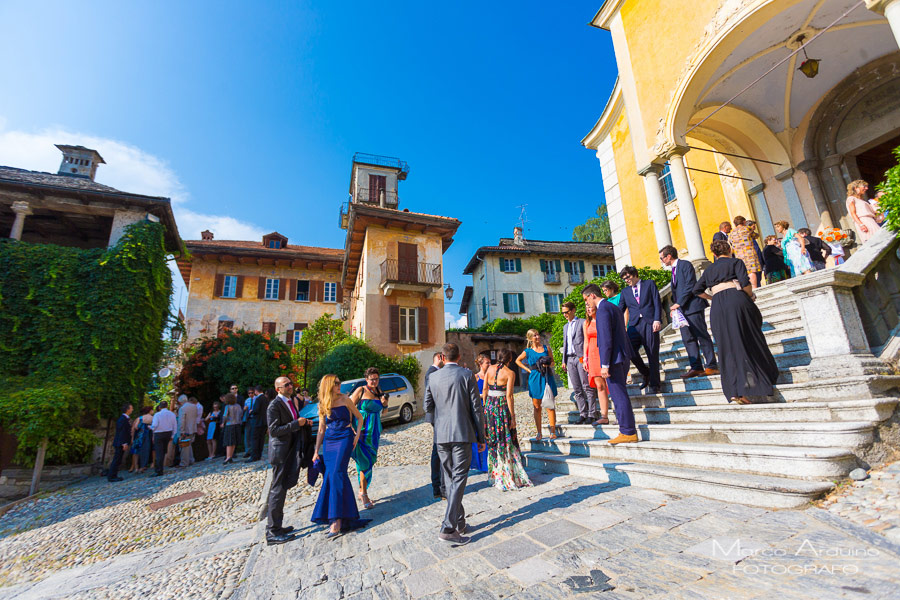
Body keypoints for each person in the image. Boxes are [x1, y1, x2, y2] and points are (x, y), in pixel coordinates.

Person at [694, 240, 779, 404]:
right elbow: (745, 283)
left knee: (726, 347)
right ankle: (763, 380)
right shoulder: (735, 262)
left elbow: (696, 290)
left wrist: (713, 297)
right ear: (729, 249)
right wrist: (750, 295)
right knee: (750, 338)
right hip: (736, 299)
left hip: (717, 307)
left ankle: (734, 391)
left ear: (714, 254)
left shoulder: (709, 269)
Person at [425, 343, 486, 545]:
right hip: (462, 433)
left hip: (441, 435)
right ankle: (448, 527)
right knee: (458, 478)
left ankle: (459, 521)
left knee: (450, 478)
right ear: (459, 356)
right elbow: (477, 408)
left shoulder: (433, 377)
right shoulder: (467, 375)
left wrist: (438, 424)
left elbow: (428, 406)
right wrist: (481, 436)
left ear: (442, 357)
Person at [312, 374, 368, 538]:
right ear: (328, 385)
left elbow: (359, 417)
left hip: (345, 438)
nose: (339, 385)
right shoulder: (323, 403)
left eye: (339, 382)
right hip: (330, 441)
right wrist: (316, 451)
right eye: (336, 383)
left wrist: (357, 435)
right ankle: (342, 516)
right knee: (332, 475)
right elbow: (321, 429)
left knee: (336, 472)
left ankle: (336, 520)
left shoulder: (345, 399)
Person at [581, 284, 638, 444]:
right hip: (622, 355)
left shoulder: (603, 310)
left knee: (618, 395)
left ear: (592, 295)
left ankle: (627, 431)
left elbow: (605, 339)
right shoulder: (612, 307)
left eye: (586, 300)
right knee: (620, 394)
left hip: (614, 358)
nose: (587, 304)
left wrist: (604, 364)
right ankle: (627, 429)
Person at [660, 245, 718, 379]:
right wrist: (676, 307)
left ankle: (711, 366)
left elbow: (690, 285)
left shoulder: (685, 265)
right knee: (688, 339)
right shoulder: (673, 270)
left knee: (702, 336)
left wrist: (678, 303)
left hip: (693, 307)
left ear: (669, 256)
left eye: (662, 258)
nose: (662, 261)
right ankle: (696, 367)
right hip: (682, 310)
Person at [266, 376, 309, 545]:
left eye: (291, 383)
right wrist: (296, 424)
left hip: (289, 450)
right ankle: (272, 532)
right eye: (286, 385)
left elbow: (293, 422)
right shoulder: (274, 405)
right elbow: (274, 430)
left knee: (282, 489)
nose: (291, 386)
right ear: (278, 389)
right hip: (280, 453)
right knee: (277, 490)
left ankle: (278, 526)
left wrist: (303, 423)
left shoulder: (290, 402)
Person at [481, 349, 531, 491]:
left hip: (490, 406)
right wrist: (513, 417)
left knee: (493, 440)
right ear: (509, 360)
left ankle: (495, 474)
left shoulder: (489, 369)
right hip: (502, 407)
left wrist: (486, 407)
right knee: (505, 439)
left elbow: (485, 389)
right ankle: (507, 474)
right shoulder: (510, 373)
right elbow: (509, 396)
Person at [618, 266, 662, 395]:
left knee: (652, 354)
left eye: (628, 277)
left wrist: (657, 319)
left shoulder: (649, 284)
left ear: (635, 274)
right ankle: (646, 372)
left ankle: (655, 384)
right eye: (624, 279)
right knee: (628, 349)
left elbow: (657, 302)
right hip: (634, 325)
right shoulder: (625, 292)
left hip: (650, 322)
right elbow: (620, 309)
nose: (626, 280)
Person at [350, 367, 390, 509]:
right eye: (371, 379)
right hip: (362, 430)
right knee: (364, 461)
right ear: (366, 379)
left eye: (376, 379)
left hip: (374, 432)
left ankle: (363, 489)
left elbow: (383, 412)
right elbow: (349, 407)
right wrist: (350, 426)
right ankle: (363, 493)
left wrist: (385, 404)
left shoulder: (379, 392)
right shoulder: (361, 390)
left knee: (370, 459)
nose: (374, 381)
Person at [515, 329, 559, 441]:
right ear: (530, 338)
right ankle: (539, 432)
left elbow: (553, 362)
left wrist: (548, 364)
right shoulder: (528, 351)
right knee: (537, 406)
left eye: (538, 334)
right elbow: (517, 360)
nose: (537, 337)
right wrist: (528, 370)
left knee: (550, 404)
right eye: (535, 335)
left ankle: (553, 431)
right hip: (535, 377)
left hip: (547, 375)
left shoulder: (546, 348)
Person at [560, 301, 599, 425]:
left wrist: (586, 358)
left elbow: (586, 341)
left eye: (566, 312)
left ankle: (592, 413)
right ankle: (582, 413)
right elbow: (565, 344)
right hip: (569, 358)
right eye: (563, 313)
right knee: (577, 388)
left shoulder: (582, 322)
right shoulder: (565, 326)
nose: (565, 315)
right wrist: (564, 360)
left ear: (573, 310)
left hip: (580, 357)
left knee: (587, 386)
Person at [582, 302, 611, 426]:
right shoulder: (586, 323)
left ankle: (619, 413)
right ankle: (604, 415)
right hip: (592, 354)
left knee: (611, 383)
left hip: (604, 352)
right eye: (586, 307)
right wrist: (585, 358)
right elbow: (586, 341)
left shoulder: (604, 319)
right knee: (599, 386)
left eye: (590, 306)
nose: (588, 309)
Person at [425, 352, 445, 499]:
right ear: (439, 358)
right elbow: (430, 397)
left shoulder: (436, 372)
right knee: (438, 451)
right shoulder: (431, 373)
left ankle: (440, 485)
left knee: (439, 450)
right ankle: (437, 486)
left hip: (440, 416)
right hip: (438, 416)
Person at [469, 353, 491, 473]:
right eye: (487, 362)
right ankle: (478, 463)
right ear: (480, 364)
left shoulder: (492, 376)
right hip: (479, 409)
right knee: (479, 434)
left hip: (490, 408)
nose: (490, 364)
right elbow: (471, 395)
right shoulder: (475, 377)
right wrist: (483, 396)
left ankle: (488, 462)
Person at [728, 216, 762, 289]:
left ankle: (747, 289)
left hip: (739, 255)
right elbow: (755, 236)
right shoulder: (747, 229)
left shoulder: (731, 233)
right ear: (743, 222)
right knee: (752, 271)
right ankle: (754, 288)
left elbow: (730, 242)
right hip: (749, 253)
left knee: (744, 272)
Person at [846, 180, 881, 244]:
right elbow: (853, 213)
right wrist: (861, 225)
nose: (866, 188)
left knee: (880, 238)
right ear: (856, 188)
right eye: (864, 186)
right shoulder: (851, 198)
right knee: (873, 240)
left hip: (870, 220)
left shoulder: (861, 200)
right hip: (864, 221)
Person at [150, 401, 177, 477]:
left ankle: (159, 470)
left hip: (159, 434)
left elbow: (155, 425)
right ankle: (160, 467)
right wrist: (172, 436)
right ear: (167, 406)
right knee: (164, 451)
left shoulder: (157, 415)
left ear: (160, 407)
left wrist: (151, 428)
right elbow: (175, 425)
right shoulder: (172, 414)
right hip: (168, 434)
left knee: (159, 452)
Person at [108, 403, 133, 482]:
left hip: (121, 442)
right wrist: (124, 443)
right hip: (120, 442)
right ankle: (112, 476)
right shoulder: (122, 419)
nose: (132, 410)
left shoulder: (125, 419)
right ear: (128, 409)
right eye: (131, 408)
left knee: (118, 459)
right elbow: (122, 432)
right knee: (117, 459)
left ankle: (113, 475)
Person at [247, 386, 269, 462]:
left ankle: (254, 456)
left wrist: (251, 411)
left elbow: (256, 410)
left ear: (256, 391)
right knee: (261, 439)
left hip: (257, 422)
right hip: (264, 422)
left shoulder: (258, 399)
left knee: (255, 439)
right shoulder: (266, 398)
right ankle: (259, 454)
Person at [129, 407, 153, 473]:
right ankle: (142, 467)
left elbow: (134, 428)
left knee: (136, 452)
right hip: (147, 437)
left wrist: (132, 438)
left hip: (138, 436)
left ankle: (136, 467)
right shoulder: (152, 418)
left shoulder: (139, 418)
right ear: (150, 411)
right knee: (145, 451)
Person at [222, 393, 243, 464]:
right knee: (234, 442)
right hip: (237, 424)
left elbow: (225, 416)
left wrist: (223, 423)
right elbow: (241, 414)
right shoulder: (238, 406)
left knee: (229, 442)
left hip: (229, 424)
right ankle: (230, 456)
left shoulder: (227, 406)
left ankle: (228, 457)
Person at [177, 396, 198, 468]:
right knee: (189, 445)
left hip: (186, 430)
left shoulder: (182, 408)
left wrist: (181, 431)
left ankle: (184, 463)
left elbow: (181, 421)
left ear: (180, 402)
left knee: (184, 447)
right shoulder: (194, 407)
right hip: (193, 428)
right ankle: (191, 459)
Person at [746, 220, 765, 285]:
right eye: (753, 226)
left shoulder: (753, 236)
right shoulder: (748, 236)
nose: (754, 227)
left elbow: (757, 235)